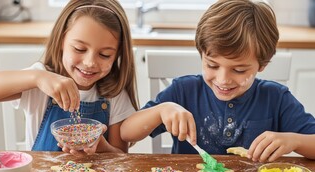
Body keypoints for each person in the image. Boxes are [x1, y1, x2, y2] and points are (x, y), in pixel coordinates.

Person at [121, 0, 315, 162]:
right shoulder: (183, 91)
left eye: (239, 70)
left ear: (262, 64)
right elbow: (126, 133)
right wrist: (161, 110)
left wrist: (294, 140)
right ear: (201, 55)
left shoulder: (276, 98)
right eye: (212, 66)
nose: (223, 79)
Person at [0, 0, 139, 156]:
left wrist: (101, 147)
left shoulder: (113, 93)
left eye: (104, 55)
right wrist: (36, 77)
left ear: (117, 54)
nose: (90, 63)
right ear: (61, 41)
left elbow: (121, 159)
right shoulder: (40, 83)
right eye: (79, 49)